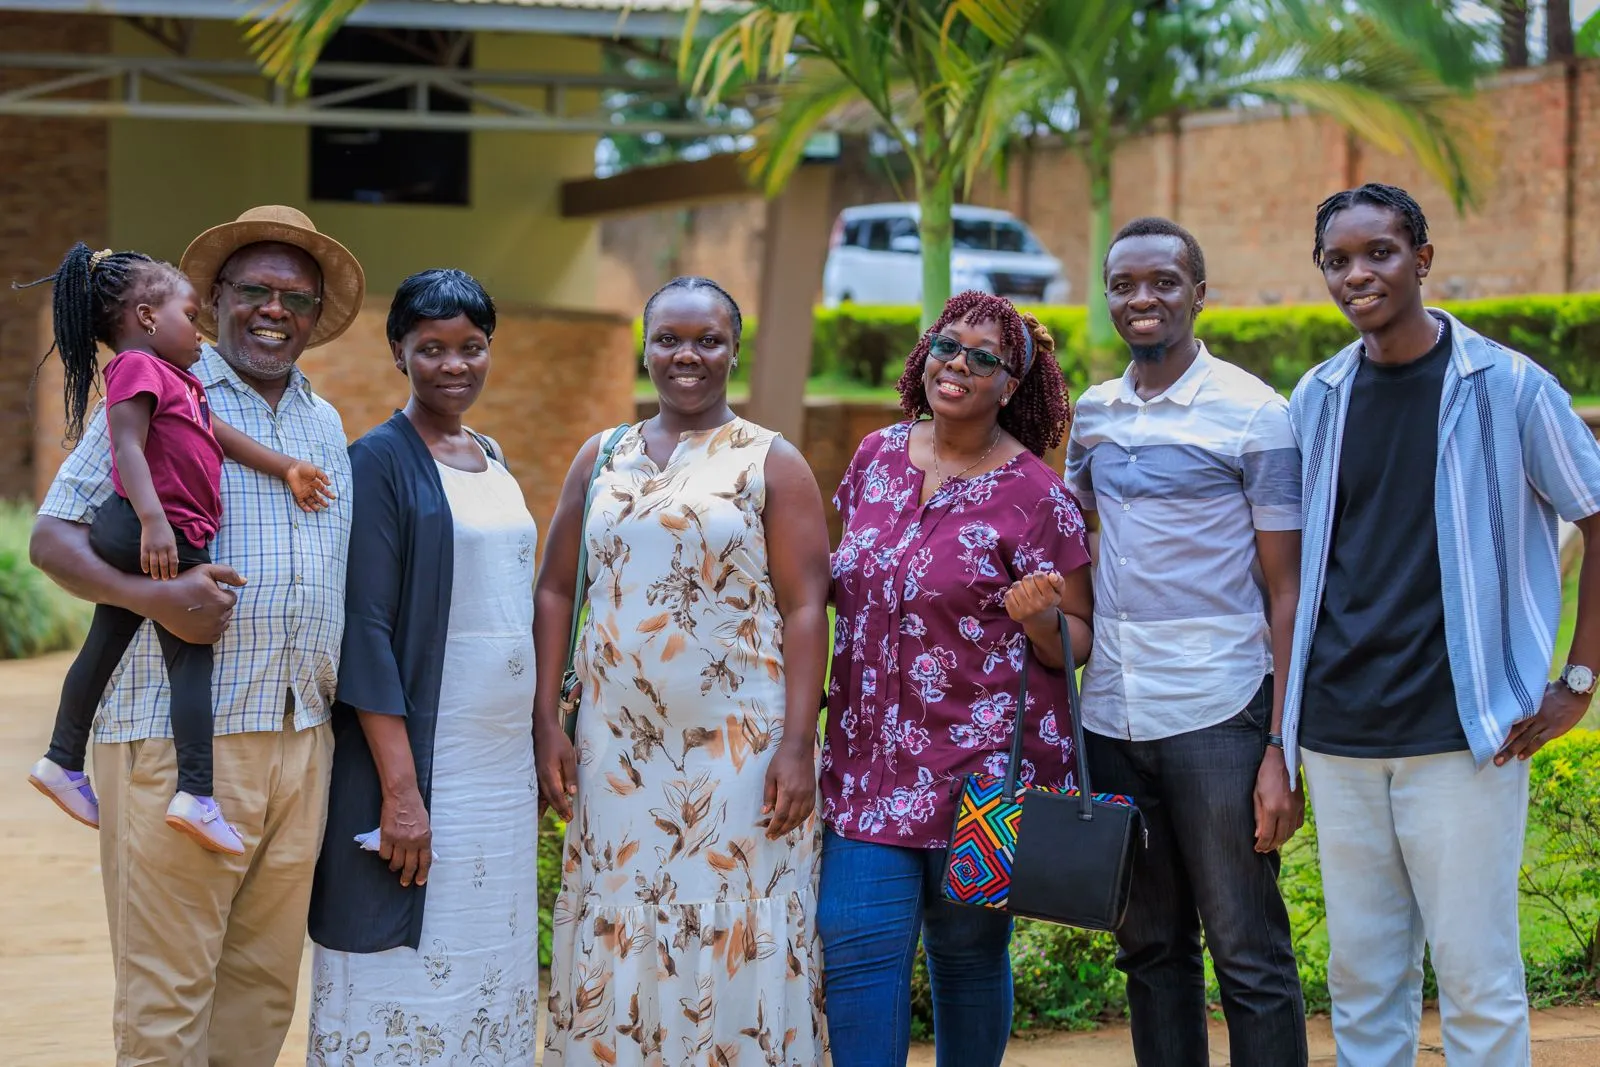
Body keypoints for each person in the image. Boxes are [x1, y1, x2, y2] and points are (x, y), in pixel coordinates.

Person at [29, 204, 364, 1067]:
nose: (273, 309)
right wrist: (158, 597)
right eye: (254, 289)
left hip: (301, 741)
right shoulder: (160, 388)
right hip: (179, 745)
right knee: (167, 1002)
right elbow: (54, 537)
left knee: (259, 996)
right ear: (215, 299)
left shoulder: (323, 426)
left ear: (316, 313)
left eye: (295, 296)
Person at [1282, 183, 1600, 1066]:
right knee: (1363, 978)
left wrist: (1577, 681)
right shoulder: (1317, 398)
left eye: (1379, 252)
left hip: (1467, 736)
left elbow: (1597, 509)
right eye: (1337, 261)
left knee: (1477, 976)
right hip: (1341, 735)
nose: (1359, 274)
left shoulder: (1508, 386)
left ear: (1422, 260)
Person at [535, 276, 831, 1065]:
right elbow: (558, 587)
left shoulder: (772, 460)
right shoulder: (601, 456)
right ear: (645, 345)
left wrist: (798, 743)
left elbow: (808, 608)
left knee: (739, 916)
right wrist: (546, 724)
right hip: (617, 751)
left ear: (736, 348)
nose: (686, 355)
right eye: (668, 338)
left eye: (707, 339)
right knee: (618, 910)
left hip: (741, 750)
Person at [818, 291, 1093, 1067]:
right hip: (867, 764)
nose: (958, 363)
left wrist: (1041, 619)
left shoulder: (1039, 495)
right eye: (948, 344)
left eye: (983, 356)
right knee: (856, 944)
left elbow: (1079, 639)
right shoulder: (874, 457)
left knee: (968, 956)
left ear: (1009, 385)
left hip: (984, 775)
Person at [1065, 217, 1307, 1066]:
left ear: (1198, 294)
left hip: (1219, 711)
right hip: (1113, 715)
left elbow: (1289, 591)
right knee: (1150, 952)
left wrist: (1280, 742)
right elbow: (1081, 556)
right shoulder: (1090, 417)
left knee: (1248, 952)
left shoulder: (1255, 416)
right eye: (1124, 283)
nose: (1143, 298)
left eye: (1164, 281)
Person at [25, 241, 334, 855]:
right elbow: (126, 449)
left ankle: (62, 759)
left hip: (293, 728)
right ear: (146, 318)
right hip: (148, 531)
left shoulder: (185, 385)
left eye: (297, 298)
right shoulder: (138, 371)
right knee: (194, 647)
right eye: (193, 315)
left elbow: (217, 436)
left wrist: (288, 467)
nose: (199, 331)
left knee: (108, 638)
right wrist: (154, 524)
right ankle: (195, 792)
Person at [305, 268, 540, 1064]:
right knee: (404, 956)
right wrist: (401, 793)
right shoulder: (375, 461)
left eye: (472, 348)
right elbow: (364, 629)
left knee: (485, 952)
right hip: (426, 761)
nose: (454, 365)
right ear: (396, 350)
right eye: (432, 348)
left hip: (499, 770)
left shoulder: (492, 455)